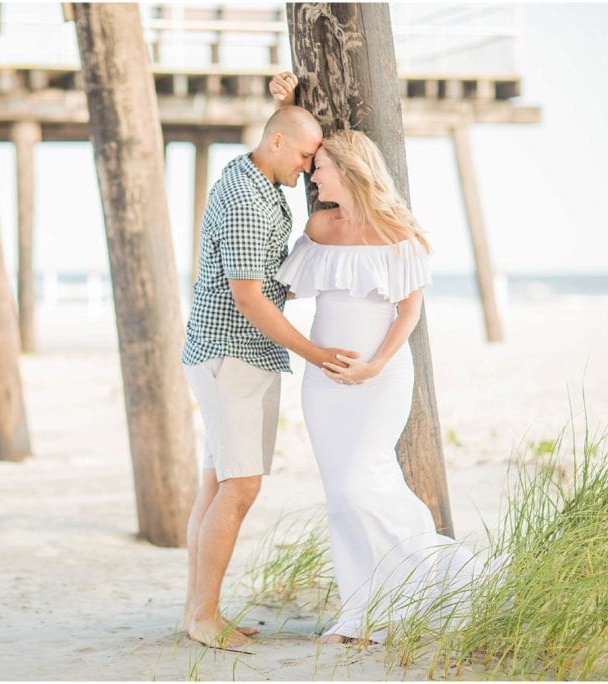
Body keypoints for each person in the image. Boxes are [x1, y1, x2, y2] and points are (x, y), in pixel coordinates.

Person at [274, 129, 480, 645]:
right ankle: (359, 615)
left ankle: (437, 576)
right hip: (323, 384)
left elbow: (409, 310)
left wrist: (374, 365)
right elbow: (288, 287)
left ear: (349, 168)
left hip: (381, 376)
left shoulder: (395, 229)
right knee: (340, 498)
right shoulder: (319, 224)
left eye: (320, 166)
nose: (313, 174)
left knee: (361, 484)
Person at [180, 72, 359, 653]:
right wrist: (315, 354)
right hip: (231, 355)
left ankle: (196, 612)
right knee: (239, 487)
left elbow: (283, 134)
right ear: (279, 145)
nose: (310, 168)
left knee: (217, 485)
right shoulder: (246, 202)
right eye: (308, 156)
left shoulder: (253, 173)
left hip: (237, 353)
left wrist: (290, 106)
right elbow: (249, 296)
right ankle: (205, 618)